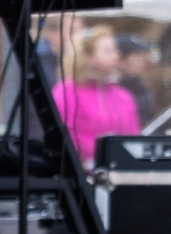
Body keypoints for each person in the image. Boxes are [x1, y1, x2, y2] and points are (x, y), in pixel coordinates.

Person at [52, 26, 140, 169]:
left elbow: (133, 135)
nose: (116, 55)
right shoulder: (66, 91)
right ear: (88, 56)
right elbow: (66, 133)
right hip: (79, 171)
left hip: (120, 170)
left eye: (115, 50)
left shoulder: (123, 96)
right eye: (107, 50)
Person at [116, 33, 156, 128]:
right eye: (137, 55)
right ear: (121, 61)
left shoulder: (140, 86)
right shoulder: (111, 90)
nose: (143, 60)